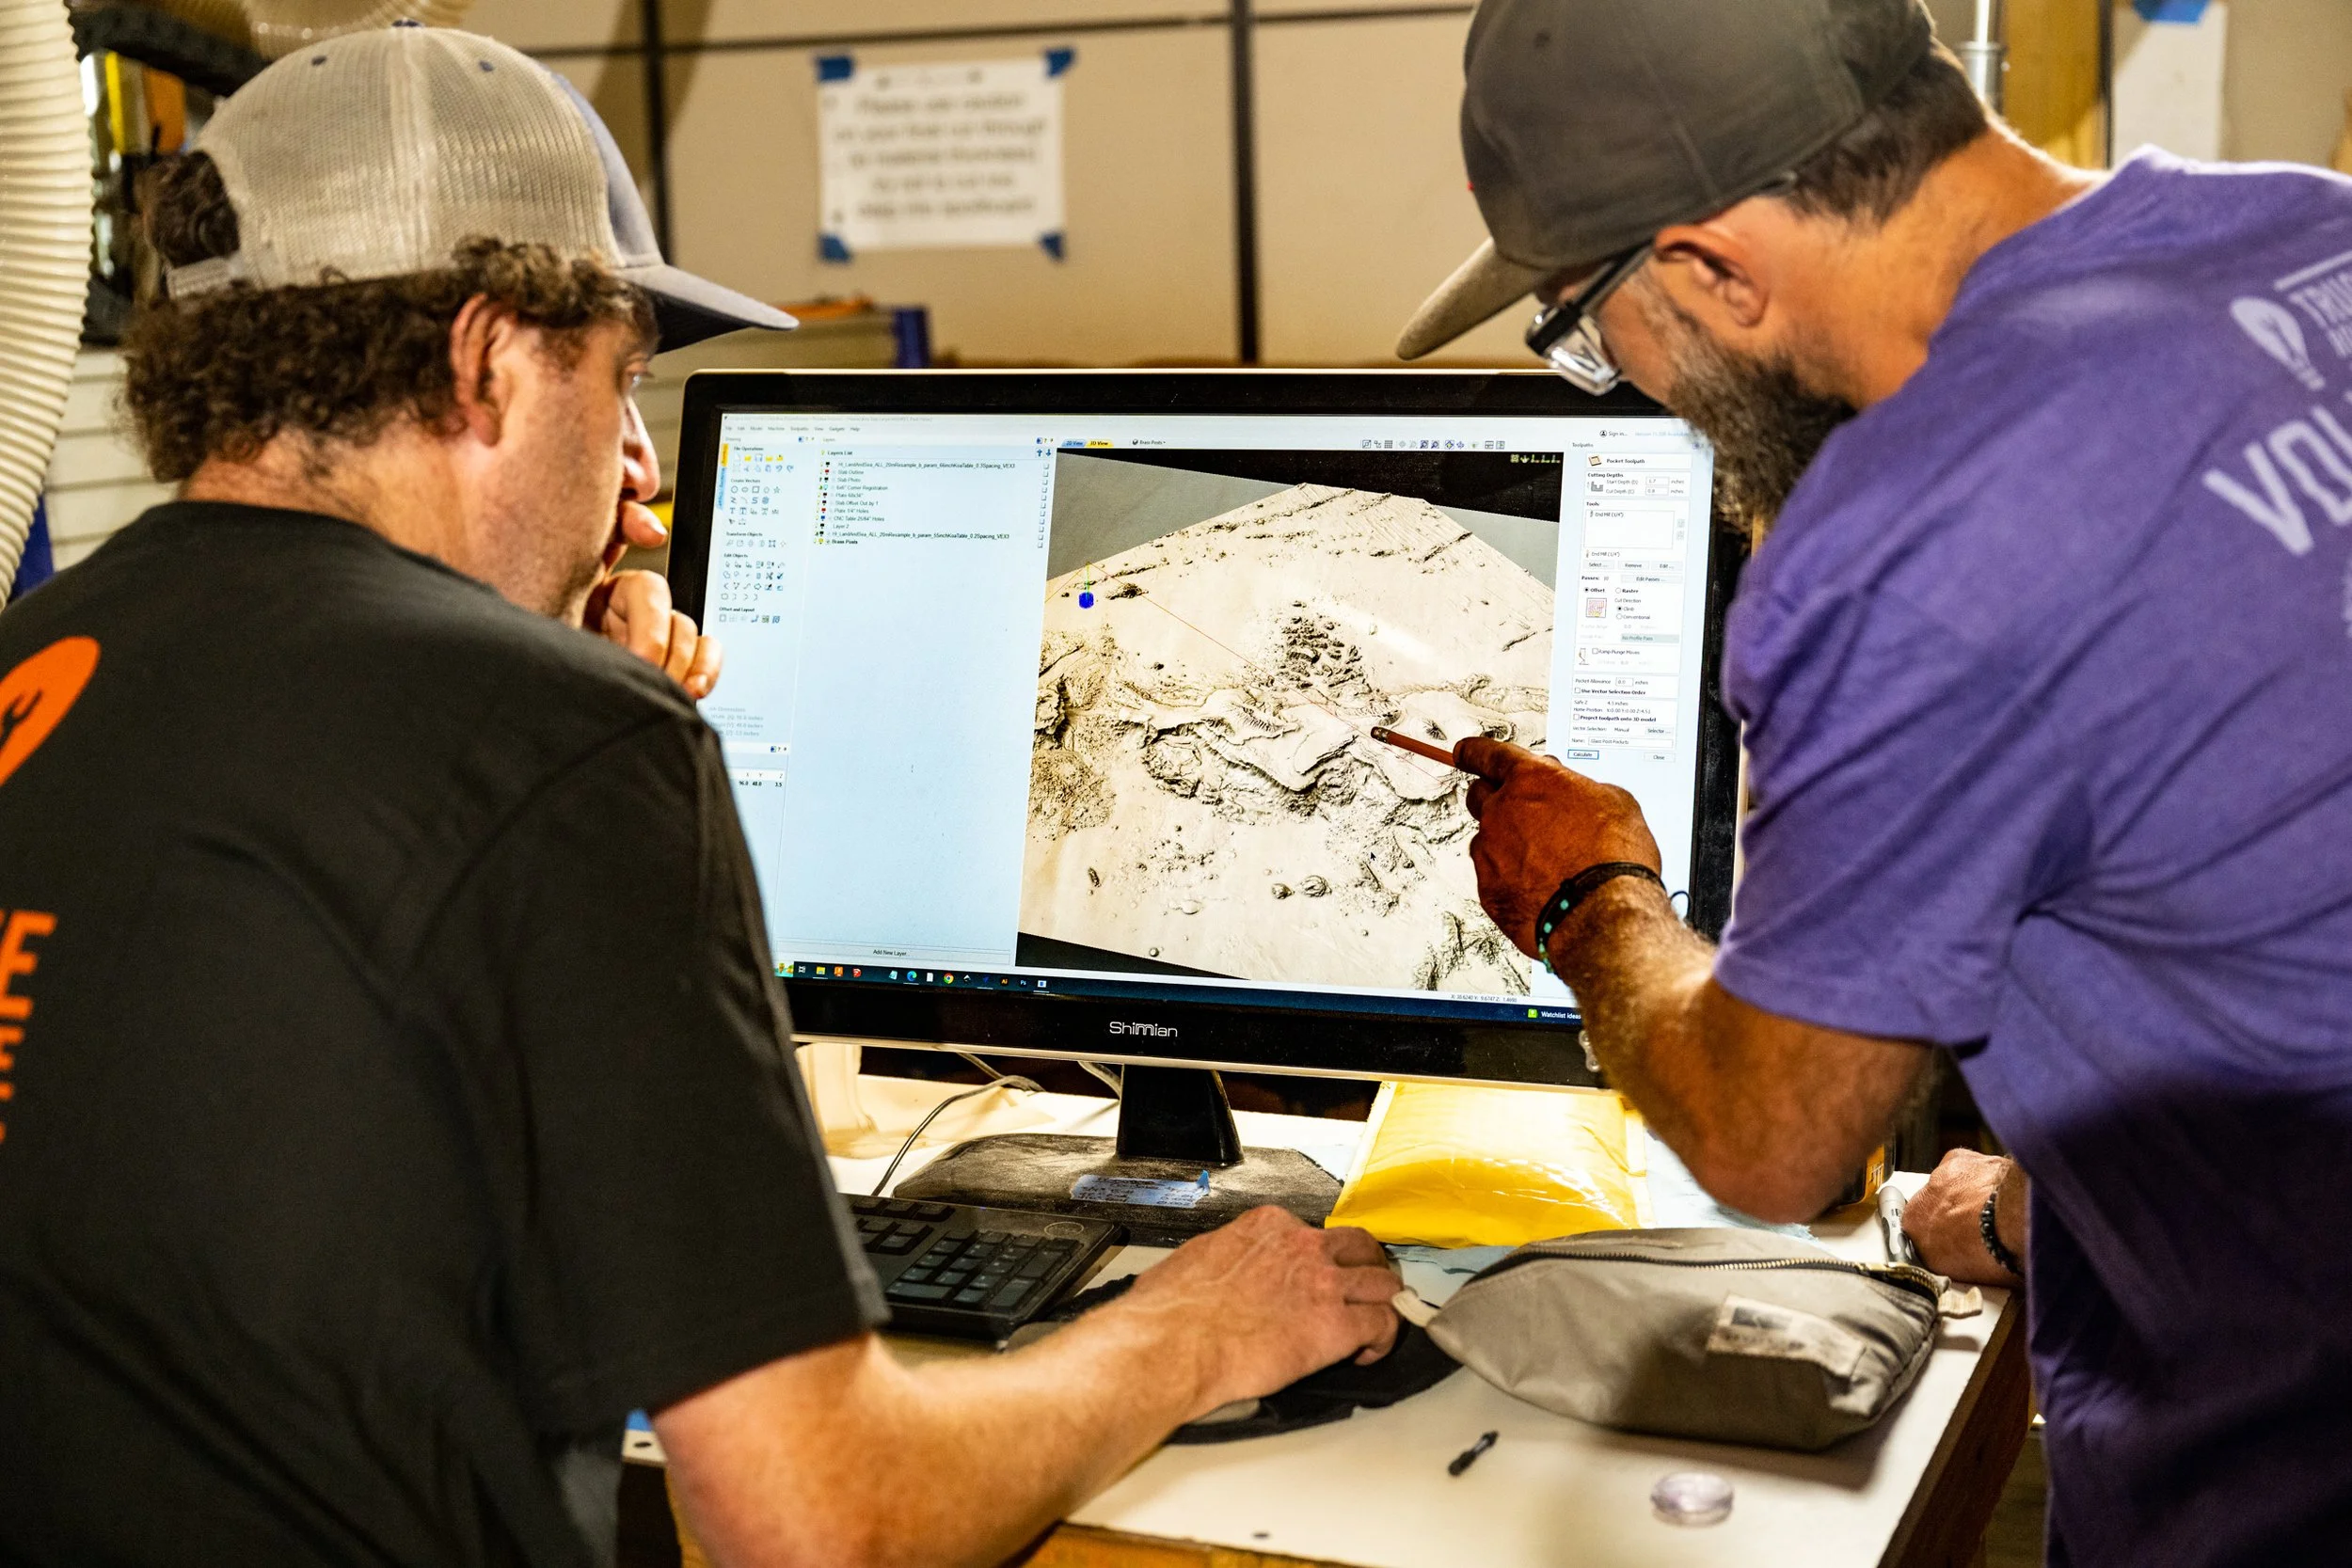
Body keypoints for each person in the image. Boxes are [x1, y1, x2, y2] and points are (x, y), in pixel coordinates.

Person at [0, 28, 1399, 1568]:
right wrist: (1189, 1329)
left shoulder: (41, 669)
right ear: (483, 359)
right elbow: (821, 1523)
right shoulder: (550, 741)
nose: (643, 459)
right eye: (617, 377)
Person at [1398, 0, 2352, 1562]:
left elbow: (1775, 1142)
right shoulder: (2311, 241)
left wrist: (1593, 895)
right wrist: (2060, 1204)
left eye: (1583, 329)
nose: (1630, 384)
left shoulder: (1909, 543)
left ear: (1708, 267)